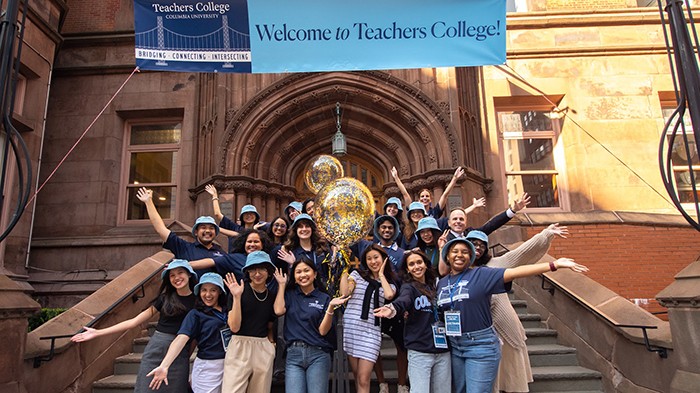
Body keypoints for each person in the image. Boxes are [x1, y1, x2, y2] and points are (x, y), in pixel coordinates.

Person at [437, 238, 588, 393]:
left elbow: (515, 271)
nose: (459, 255)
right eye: (454, 251)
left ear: (471, 257)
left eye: (465, 252)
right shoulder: (441, 283)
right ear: (447, 256)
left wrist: (553, 265)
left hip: (480, 345)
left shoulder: (481, 274)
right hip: (455, 345)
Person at [465, 224, 569, 393]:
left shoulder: (497, 263)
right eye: (473, 243)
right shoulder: (460, 269)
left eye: (481, 245)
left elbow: (521, 253)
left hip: (503, 325)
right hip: (480, 330)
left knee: (510, 373)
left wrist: (544, 235)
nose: (477, 247)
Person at [71, 260, 197, 393]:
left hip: (180, 353)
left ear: (189, 274)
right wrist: (98, 332)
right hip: (156, 349)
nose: (176, 278)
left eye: (180, 273)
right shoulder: (165, 298)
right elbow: (134, 321)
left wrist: (185, 354)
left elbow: (196, 336)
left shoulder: (198, 302)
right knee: (146, 389)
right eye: (172, 275)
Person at [374, 250, 450, 393]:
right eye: (412, 264)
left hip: (443, 351)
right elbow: (404, 300)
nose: (416, 266)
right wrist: (393, 308)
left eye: (419, 262)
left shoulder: (437, 286)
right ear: (407, 269)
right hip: (420, 351)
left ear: (426, 265)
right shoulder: (409, 287)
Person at [276, 258, 350, 393]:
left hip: (318, 354)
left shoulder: (324, 298)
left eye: (306, 270)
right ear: (294, 276)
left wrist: (331, 308)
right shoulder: (289, 294)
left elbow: (323, 331)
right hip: (294, 354)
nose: (303, 275)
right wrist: (281, 285)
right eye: (298, 272)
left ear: (315, 274)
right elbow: (278, 310)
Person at [147, 272, 228, 393]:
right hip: (208, 367)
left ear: (220, 292)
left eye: (213, 290)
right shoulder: (196, 314)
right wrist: (164, 365)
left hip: (230, 365)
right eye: (204, 290)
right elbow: (181, 338)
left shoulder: (228, 311)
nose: (208, 294)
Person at [339, 245, 398, 393]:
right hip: (352, 327)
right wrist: (344, 270)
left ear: (384, 259)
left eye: (376, 257)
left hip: (371, 332)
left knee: (364, 378)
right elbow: (345, 292)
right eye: (369, 258)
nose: (373, 261)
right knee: (358, 376)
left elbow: (389, 295)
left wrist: (381, 275)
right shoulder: (357, 275)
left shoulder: (389, 283)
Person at [221, 251, 281, 393]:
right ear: (247, 272)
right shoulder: (239, 291)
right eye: (253, 269)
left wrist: (271, 343)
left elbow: (272, 320)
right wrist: (236, 297)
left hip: (263, 347)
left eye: (262, 269)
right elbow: (234, 327)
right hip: (239, 345)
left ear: (268, 272)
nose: (257, 273)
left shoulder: (271, 295)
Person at [137, 187, 224, 276]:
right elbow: (161, 229)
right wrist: (148, 202)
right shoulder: (184, 248)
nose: (208, 231)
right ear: (196, 232)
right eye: (203, 227)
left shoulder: (221, 252)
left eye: (211, 228)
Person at [188, 229, 273, 283]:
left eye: (256, 242)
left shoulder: (269, 259)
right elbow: (211, 261)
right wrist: (183, 264)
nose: (252, 244)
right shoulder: (234, 258)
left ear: (262, 244)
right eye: (249, 241)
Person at [391, 166, 465, 218]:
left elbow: (445, 195)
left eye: (427, 196)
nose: (425, 198)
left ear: (431, 199)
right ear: (419, 200)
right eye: (422, 196)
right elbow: (405, 194)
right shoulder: (414, 210)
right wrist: (396, 178)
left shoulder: (435, 212)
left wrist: (454, 179)